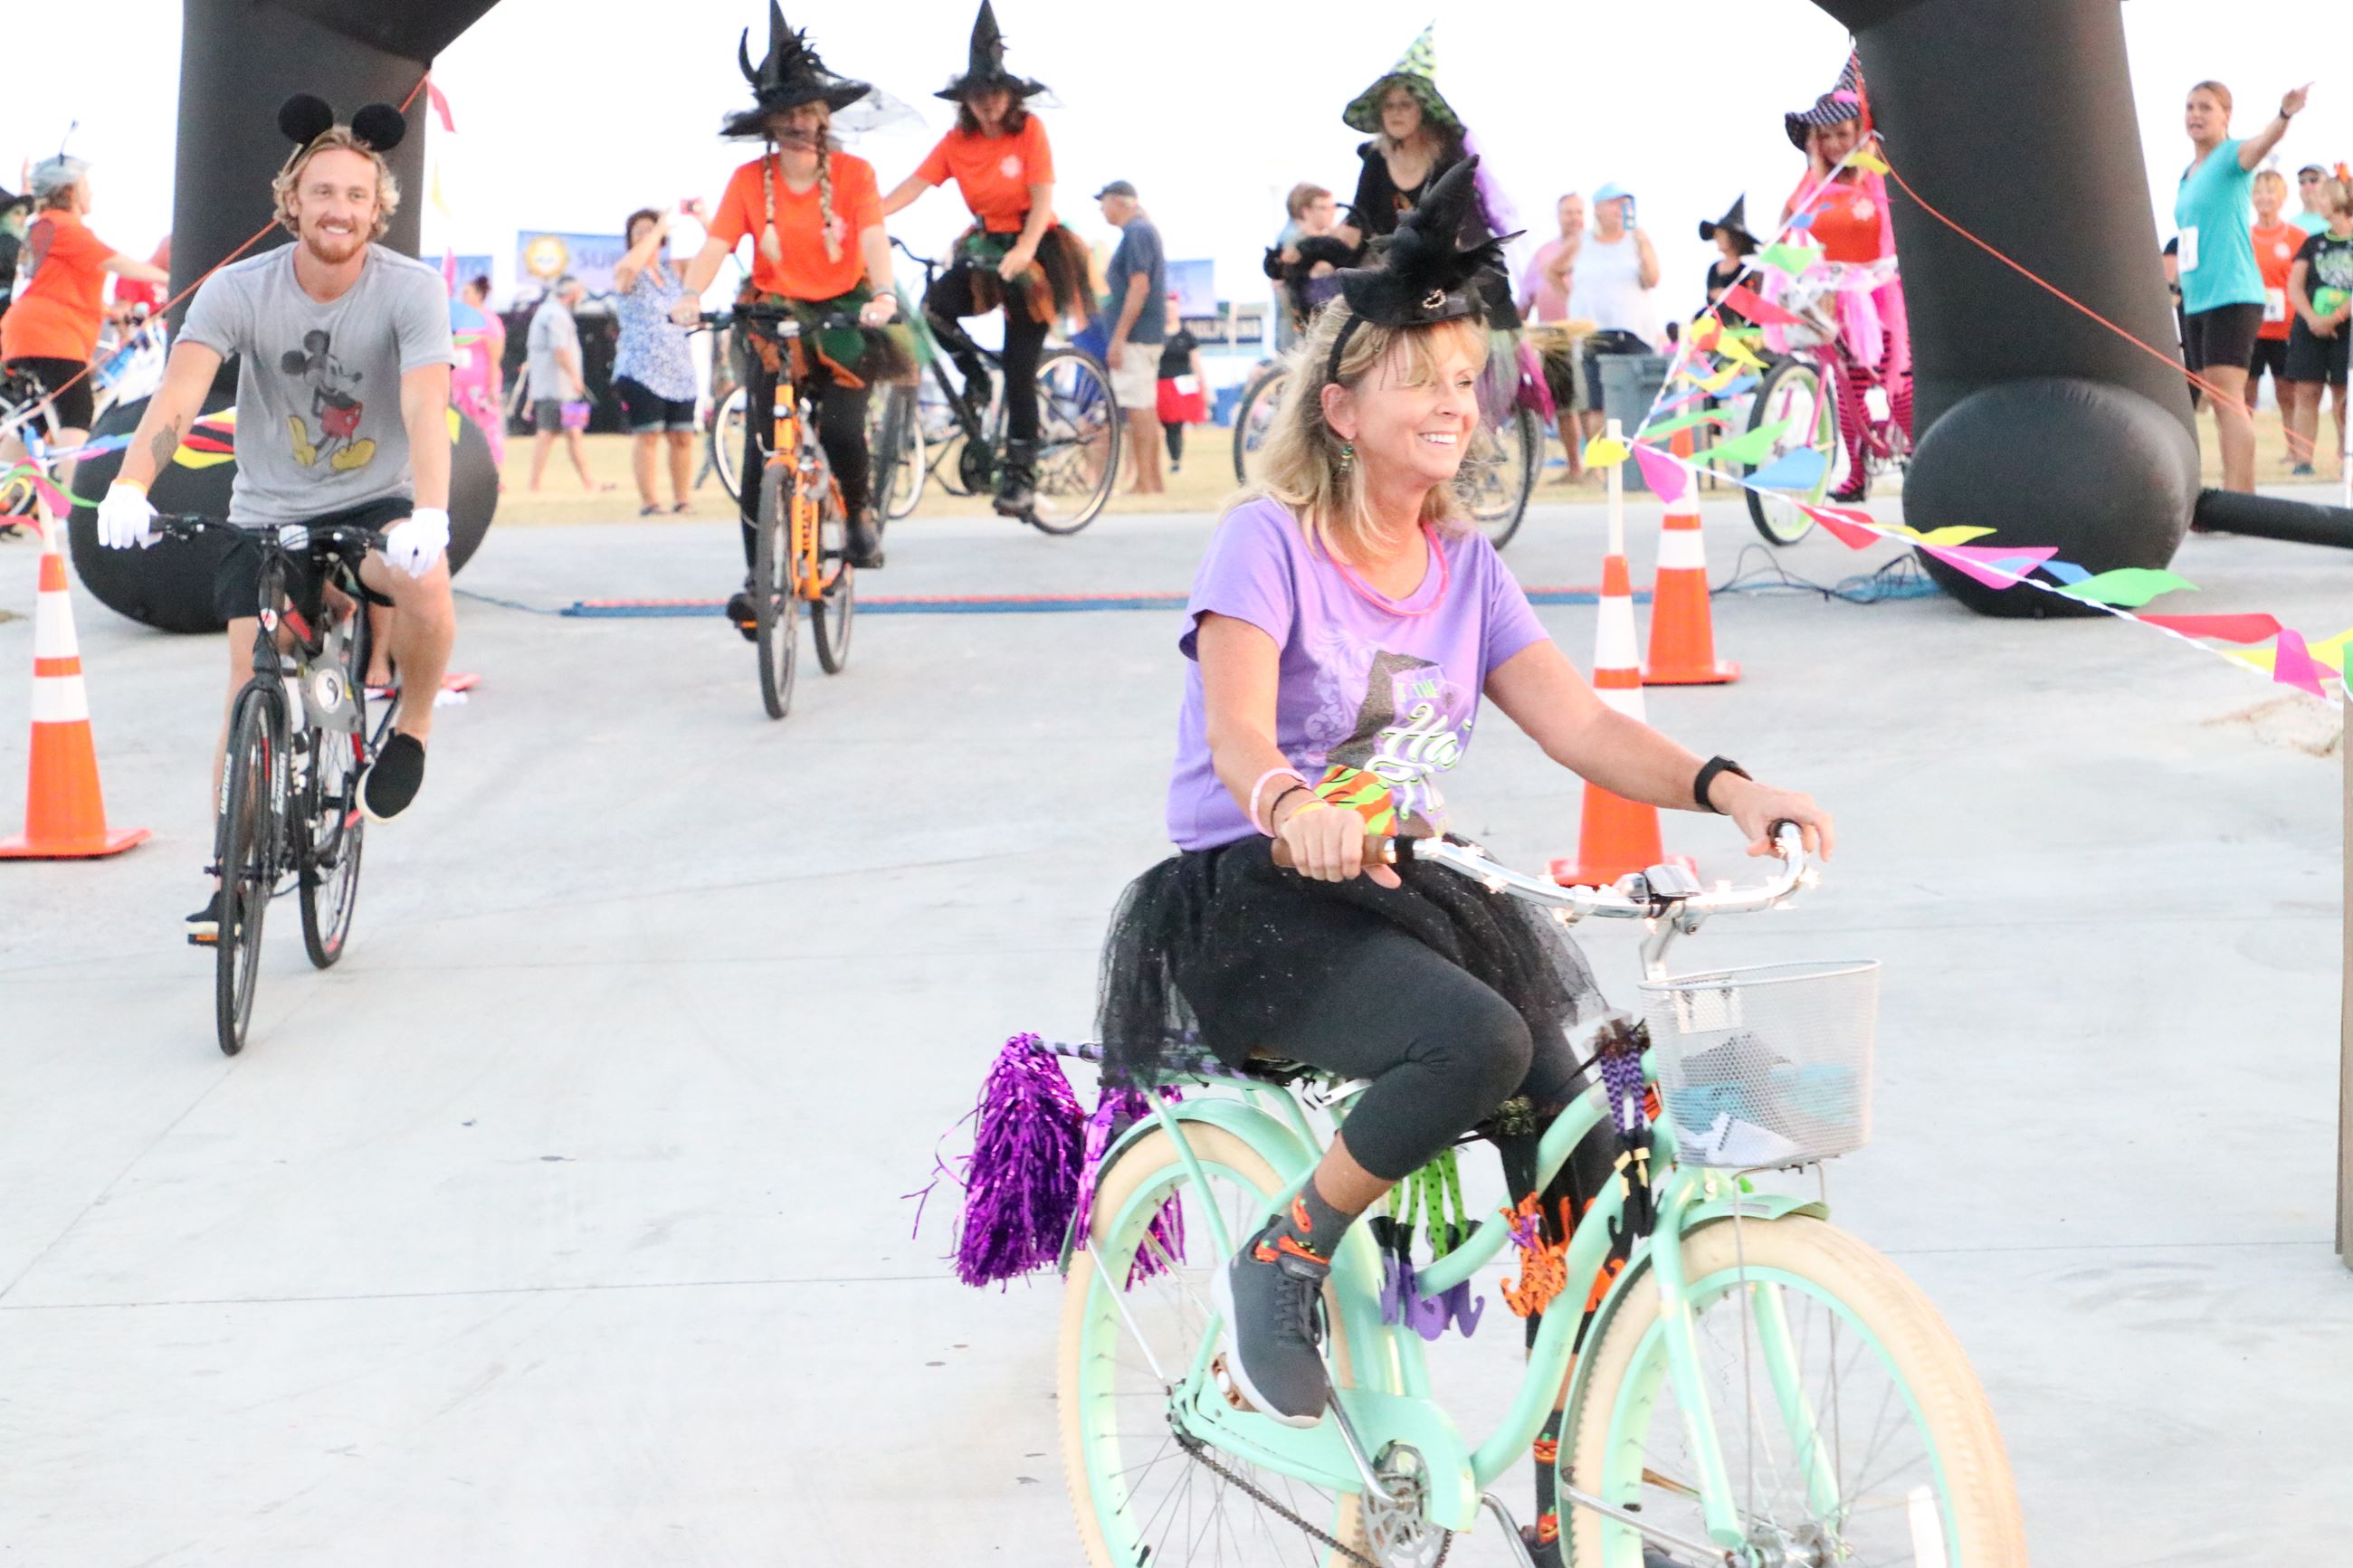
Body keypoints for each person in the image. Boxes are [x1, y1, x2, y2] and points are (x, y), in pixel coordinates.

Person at [1091, 166, 1833, 1554]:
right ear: (1339, 409)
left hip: (1398, 888)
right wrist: (1291, 801)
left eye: (1464, 378)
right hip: (1256, 895)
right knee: (1478, 1042)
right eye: (1416, 378)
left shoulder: (1467, 567)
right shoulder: (1268, 541)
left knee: (1582, 1145)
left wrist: (1728, 786)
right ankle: (1286, 1252)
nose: (1452, 401)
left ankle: (1565, 1483)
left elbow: (1584, 725)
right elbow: (1239, 728)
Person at [92, 97, 457, 939]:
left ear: (378, 208)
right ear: (291, 200)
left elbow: (424, 401)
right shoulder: (238, 289)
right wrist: (130, 485)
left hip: (376, 499)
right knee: (248, 678)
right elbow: (180, 395)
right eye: (322, 191)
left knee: (423, 582)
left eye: (357, 195)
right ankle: (232, 875)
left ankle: (413, 723)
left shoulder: (412, 289)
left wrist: (432, 513)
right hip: (267, 508)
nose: (339, 209)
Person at [674, 5, 912, 622]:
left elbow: (873, 241)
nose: (802, 124)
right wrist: (690, 295)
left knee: (841, 430)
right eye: (789, 115)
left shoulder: (855, 175)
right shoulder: (747, 180)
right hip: (775, 316)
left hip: (845, 315)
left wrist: (883, 295)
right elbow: (716, 247)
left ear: (826, 117)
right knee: (762, 454)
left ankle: (858, 513)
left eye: (810, 112)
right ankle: (759, 582)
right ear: (772, 125)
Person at [881, 0, 1091, 518]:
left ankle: (1021, 476)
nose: (989, 104)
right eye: (978, 96)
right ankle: (975, 378)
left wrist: (1024, 249)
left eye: (996, 94)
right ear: (966, 101)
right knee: (934, 307)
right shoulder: (956, 142)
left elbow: (1042, 197)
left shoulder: (1030, 131)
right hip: (985, 244)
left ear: (1011, 95)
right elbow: (915, 184)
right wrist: (868, 216)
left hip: (1037, 246)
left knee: (1020, 368)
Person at [2174, 78, 2310, 493]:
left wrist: (2284, 114)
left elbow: (2263, 143)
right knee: (2215, 400)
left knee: (2229, 399)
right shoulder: (2188, 174)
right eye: (2190, 107)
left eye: (2206, 107)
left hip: (2232, 295)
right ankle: (2234, 491)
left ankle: (2240, 495)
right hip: (2198, 299)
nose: (2195, 114)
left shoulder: (2231, 157)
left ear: (2226, 116)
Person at [1782, 65, 1911, 502]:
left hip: (1881, 298)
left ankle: (1920, 457)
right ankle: (1857, 474)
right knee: (1848, 391)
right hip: (1833, 300)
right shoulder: (1813, 184)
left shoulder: (1879, 175)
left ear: (1859, 133)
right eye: (1825, 137)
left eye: (1842, 133)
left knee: (1899, 387)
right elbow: (1787, 227)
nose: (1835, 144)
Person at [0, 157, 171, 483]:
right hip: (52, 338)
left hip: (27, 335)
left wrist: (109, 312)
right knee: (76, 417)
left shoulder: (43, 227)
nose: (91, 192)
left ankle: (8, 499)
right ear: (69, 191)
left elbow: (57, 286)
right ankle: (76, 502)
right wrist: (172, 278)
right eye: (86, 186)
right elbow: (115, 261)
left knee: (32, 423)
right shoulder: (64, 226)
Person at [612, 207, 700, 516]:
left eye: (650, 230)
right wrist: (658, 229)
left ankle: (683, 500)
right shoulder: (627, 271)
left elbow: (713, 255)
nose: (646, 236)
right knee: (648, 434)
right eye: (639, 231)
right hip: (641, 368)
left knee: (683, 436)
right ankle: (650, 502)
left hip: (679, 367)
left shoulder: (674, 270)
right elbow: (630, 266)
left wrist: (702, 218)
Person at [1566, 183, 1660, 444]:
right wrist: (1574, 301)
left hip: (1634, 332)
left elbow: (1653, 279)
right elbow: (1553, 270)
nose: (1621, 210)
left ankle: (1637, 456)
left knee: (1639, 399)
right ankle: (1599, 461)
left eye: (1625, 204)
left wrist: (1642, 245)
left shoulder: (1637, 239)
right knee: (1596, 403)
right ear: (1598, 208)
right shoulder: (1582, 242)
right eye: (1615, 204)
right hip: (1594, 334)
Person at [1097, 180, 1166, 495]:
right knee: (1145, 408)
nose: (1101, 209)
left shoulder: (1137, 232)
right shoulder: (1143, 230)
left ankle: (1145, 481)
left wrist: (1119, 337)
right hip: (1146, 333)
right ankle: (1152, 480)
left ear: (1119, 201)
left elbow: (1139, 286)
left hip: (1136, 335)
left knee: (1138, 409)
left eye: (1104, 202)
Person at [2283, 175, 2353, 476]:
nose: (2317, 200)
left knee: (2344, 393)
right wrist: (2312, 318)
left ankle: (2345, 457)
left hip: (2346, 328)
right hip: (2310, 327)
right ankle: (2303, 460)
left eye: (2324, 195)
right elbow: (2295, 286)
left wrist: (2336, 317)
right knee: (2306, 391)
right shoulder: (2312, 243)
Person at [524, 277, 609, 491]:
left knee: (574, 433)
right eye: (579, 292)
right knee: (547, 433)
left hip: (562, 389)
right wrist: (575, 378)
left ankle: (588, 481)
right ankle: (534, 483)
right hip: (556, 388)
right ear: (570, 293)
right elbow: (560, 351)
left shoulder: (550, 312)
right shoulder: (555, 315)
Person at [2246, 169, 2302, 420]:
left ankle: (2294, 442)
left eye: (2270, 192)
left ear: (2282, 197)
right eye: (2258, 192)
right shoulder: (2244, 235)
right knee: (2246, 394)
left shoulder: (2297, 237)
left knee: (2287, 393)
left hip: (2286, 328)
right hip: (2250, 327)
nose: (2264, 198)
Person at [1263, 182, 1348, 343]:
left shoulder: (1321, 241)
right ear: (1306, 211)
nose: (1332, 213)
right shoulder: (1295, 244)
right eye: (1324, 208)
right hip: (1301, 330)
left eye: (1334, 207)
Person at [449, 273, 506, 469]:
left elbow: (494, 357)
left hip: (480, 385)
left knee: (486, 427)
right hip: (459, 385)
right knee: (460, 429)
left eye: (467, 292)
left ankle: (492, 469)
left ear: (479, 295)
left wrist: (491, 388)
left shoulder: (489, 321)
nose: (463, 296)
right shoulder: (460, 321)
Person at [1155, 290, 1204, 470]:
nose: (1170, 312)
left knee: (1176, 425)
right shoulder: (1157, 335)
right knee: (1161, 425)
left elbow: (1196, 362)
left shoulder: (1187, 336)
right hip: (1160, 384)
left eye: (1173, 309)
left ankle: (1176, 460)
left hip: (1180, 386)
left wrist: (1201, 385)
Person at [1518, 193, 1584, 325]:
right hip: (1549, 333)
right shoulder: (1543, 254)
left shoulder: (1595, 250)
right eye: (1569, 213)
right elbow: (1524, 304)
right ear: (1558, 216)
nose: (1575, 217)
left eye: (1579, 212)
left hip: (1587, 331)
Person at [1699, 195, 1758, 327]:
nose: (1717, 238)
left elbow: (1751, 304)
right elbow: (1710, 301)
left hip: (1741, 329)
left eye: (1721, 234)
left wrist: (1728, 296)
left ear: (1733, 238)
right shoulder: (1714, 269)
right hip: (1716, 328)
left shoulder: (1747, 271)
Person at [2293, 164, 2335, 237]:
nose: (2307, 185)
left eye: (2313, 180)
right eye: (2302, 181)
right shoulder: (2290, 226)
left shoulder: (2337, 222)